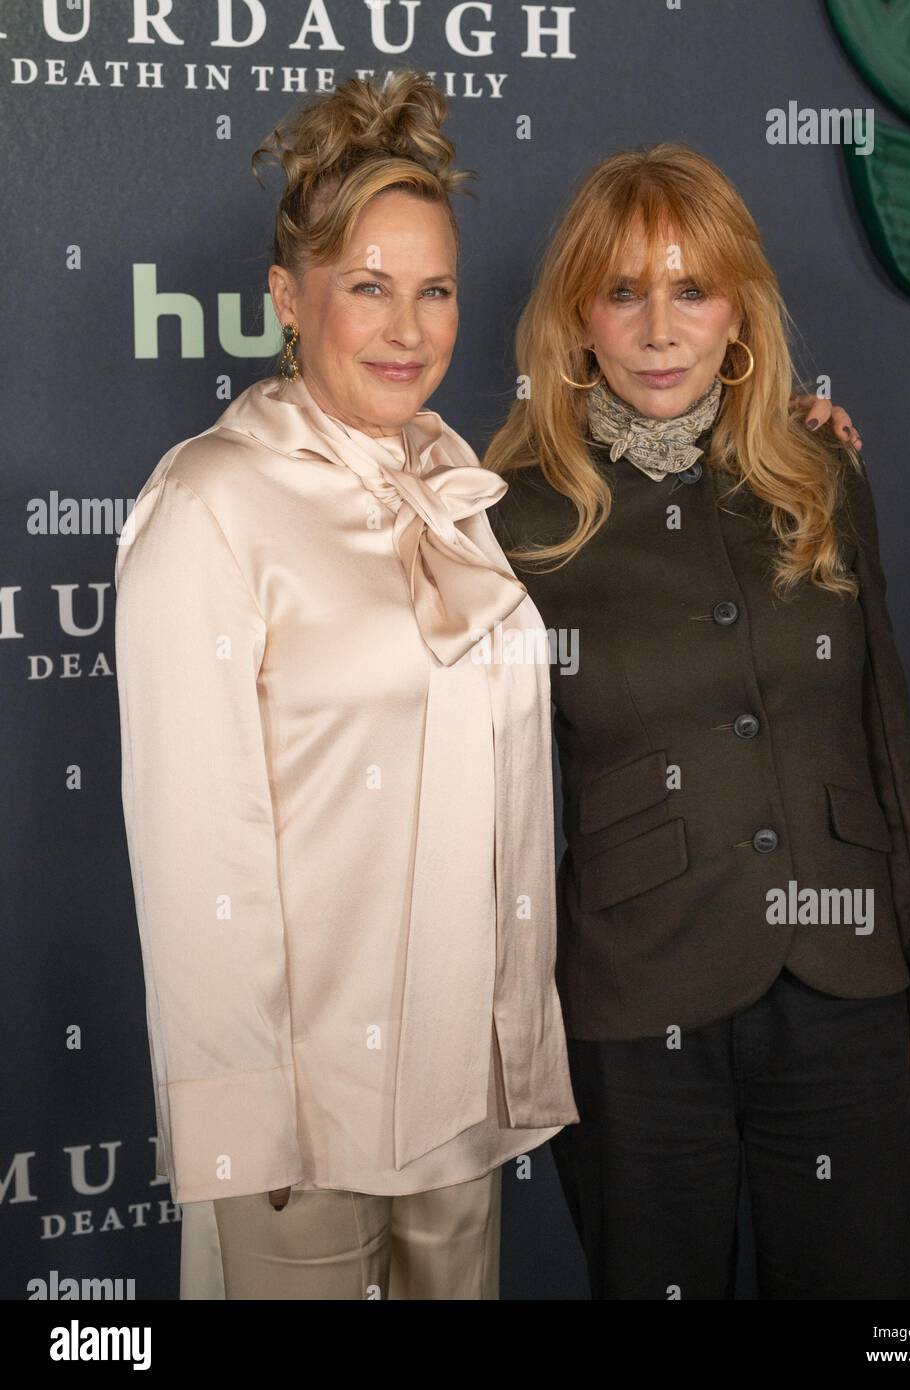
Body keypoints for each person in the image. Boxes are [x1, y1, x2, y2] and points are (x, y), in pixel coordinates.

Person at [114, 71, 579, 1301]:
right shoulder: (210, 505)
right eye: (367, 286)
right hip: (302, 1119)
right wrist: (240, 1120)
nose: (407, 327)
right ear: (287, 296)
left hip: (455, 1090)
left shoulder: (453, 479)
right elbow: (195, 851)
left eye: (432, 291)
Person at [486, 142, 910, 1300]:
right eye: (624, 291)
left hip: (844, 981)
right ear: (576, 317)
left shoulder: (818, 471)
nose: (660, 328)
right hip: (632, 1001)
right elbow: (483, 797)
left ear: (738, 308)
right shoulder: (514, 511)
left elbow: (882, 730)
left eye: (691, 289)